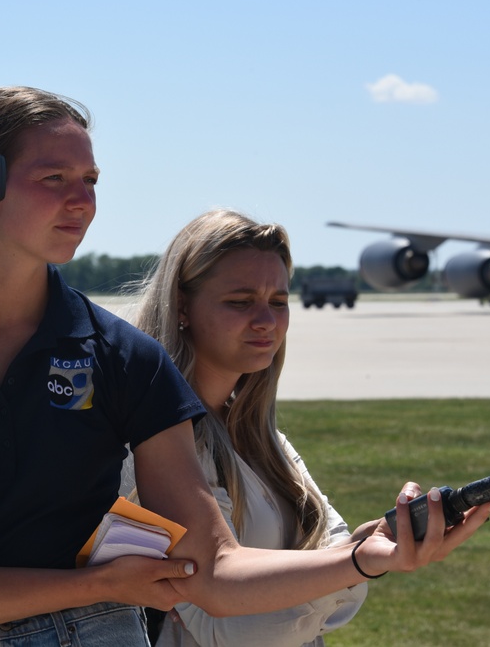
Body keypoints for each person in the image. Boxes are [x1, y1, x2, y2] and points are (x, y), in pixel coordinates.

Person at [0, 87, 490, 647]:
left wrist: (363, 558)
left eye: (89, 180)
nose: (81, 201)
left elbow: (214, 570)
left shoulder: (124, 358)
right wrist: (96, 587)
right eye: (53, 179)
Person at [128, 208, 382, 646]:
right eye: (241, 302)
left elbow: (341, 579)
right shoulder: (153, 442)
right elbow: (228, 627)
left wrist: (373, 547)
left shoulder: (263, 439)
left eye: (279, 302)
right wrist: (351, 566)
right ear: (182, 307)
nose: (266, 321)